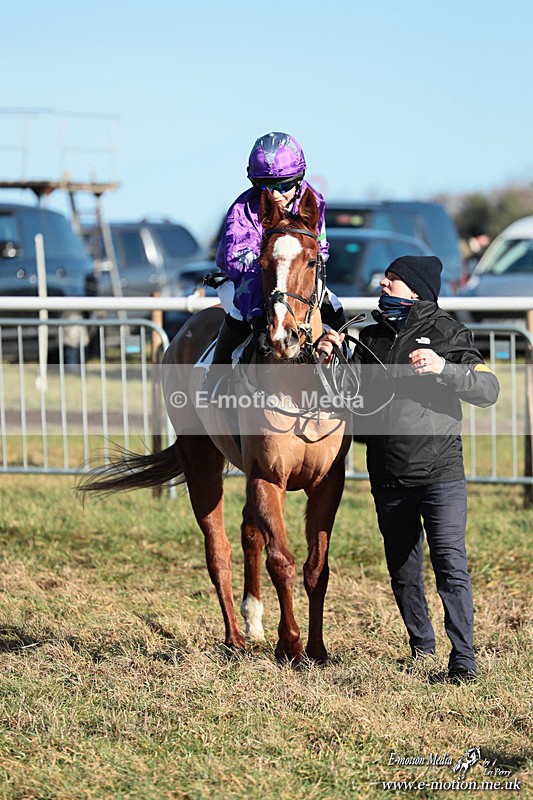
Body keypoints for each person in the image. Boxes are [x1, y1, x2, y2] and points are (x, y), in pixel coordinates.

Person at [318, 255, 500, 683]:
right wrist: (333, 359)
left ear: (416, 290)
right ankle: (421, 648)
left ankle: (463, 659)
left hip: (441, 475)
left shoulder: (448, 332)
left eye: (394, 279)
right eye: (386, 276)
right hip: (387, 475)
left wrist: (444, 369)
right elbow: (349, 398)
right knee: (402, 569)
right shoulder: (370, 336)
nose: (384, 283)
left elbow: (488, 388)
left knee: (451, 565)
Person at [211, 131, 345, 365]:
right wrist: (260, 313)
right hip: (244, 278)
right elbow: (241, 265)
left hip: (293, 276)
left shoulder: (314, 200)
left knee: (333, 304)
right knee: (239, 312)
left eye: (283, 186)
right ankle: (215, 374)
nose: (275, 195)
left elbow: (319, 250)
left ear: (298, 179)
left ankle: (346, 367)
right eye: (265, 186)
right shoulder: (242, 211)